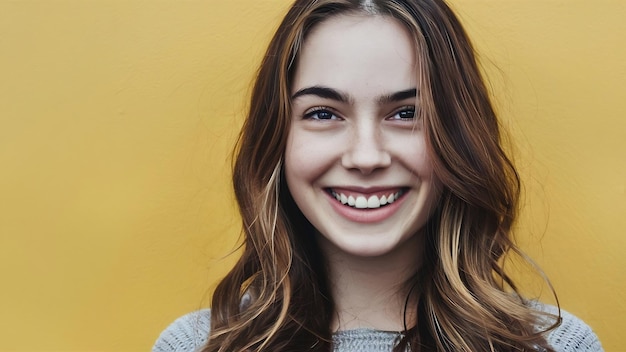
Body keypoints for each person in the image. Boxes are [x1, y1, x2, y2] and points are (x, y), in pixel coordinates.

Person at [153, 0, 603, 351]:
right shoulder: (196, 347)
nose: (366, 156)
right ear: (277, 139)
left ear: (459, 136)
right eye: (324, 113)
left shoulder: (558, 347)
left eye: (406, 113)